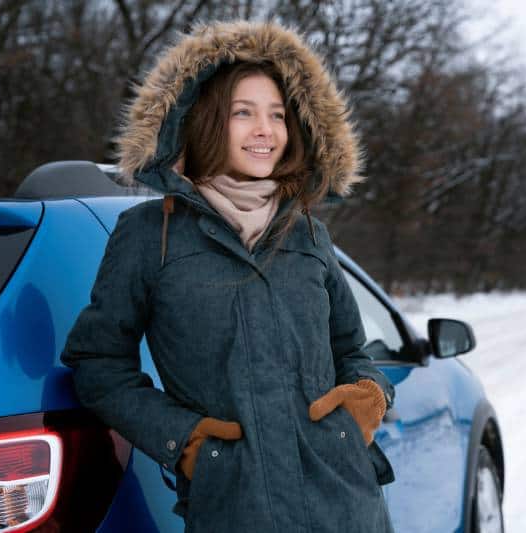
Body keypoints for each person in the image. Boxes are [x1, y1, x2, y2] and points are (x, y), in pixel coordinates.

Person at [61, 20, 396, 533]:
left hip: (347, 505)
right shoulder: (151, 234)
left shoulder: (308, 234)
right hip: (235, 510)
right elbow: (97, 363)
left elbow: (353, 350)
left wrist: (367, 398)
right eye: (244, 113)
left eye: (277, 115)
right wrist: (186, 440)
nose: (266, 131)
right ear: (205, 121)